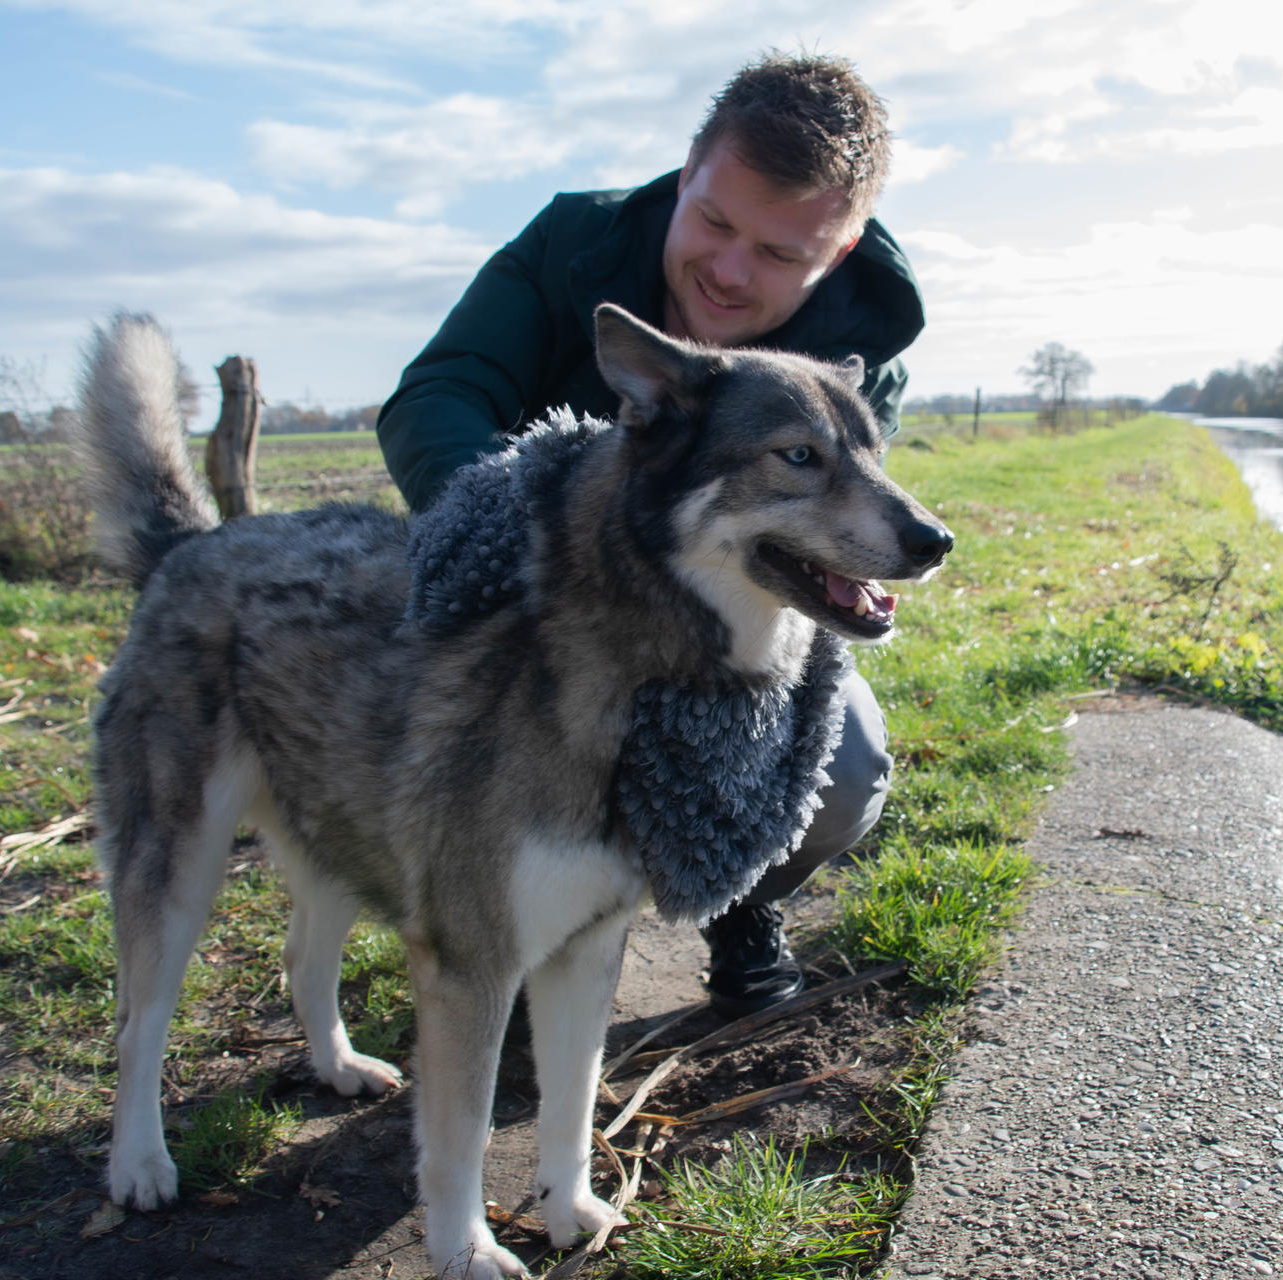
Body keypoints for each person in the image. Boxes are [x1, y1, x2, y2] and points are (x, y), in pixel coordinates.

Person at [377, 51, 923, 1017]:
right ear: (686, 172)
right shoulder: (569, 243)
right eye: (714, 220)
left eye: (779, 254)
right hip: (541, 595)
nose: (728, 268)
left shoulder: (861, 338)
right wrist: (509, 532)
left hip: (726, 618)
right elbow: (438, 396)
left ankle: (738, 893)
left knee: (845, 766)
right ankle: (517, 926)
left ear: (836, 253)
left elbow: (822, 530)